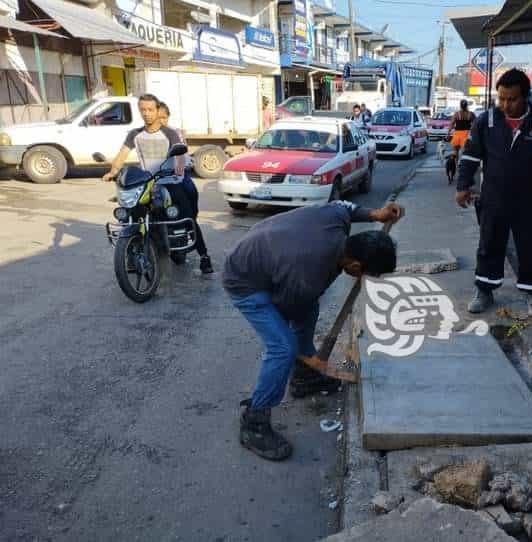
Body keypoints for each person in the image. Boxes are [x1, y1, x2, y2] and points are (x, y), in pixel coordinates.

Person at [224, 200, 404, 461]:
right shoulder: (308, 274)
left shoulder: (337, 220)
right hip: (244, 279)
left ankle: (304, 377)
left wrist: (375, 212)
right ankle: (254, 421)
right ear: (355, 267)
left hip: (265, 250)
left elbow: (345, 206)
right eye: (368, 275)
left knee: (308, 312)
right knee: (282, 348)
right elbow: (285, 311)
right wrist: (307, 357)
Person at [455, 69, 532, 318]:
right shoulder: (486, 121)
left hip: (530, 200)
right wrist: (463, 186)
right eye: (502, 98)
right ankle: (484, 290)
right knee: (489, 245)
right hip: (493, 198)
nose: (506, 104)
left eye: (512, 99)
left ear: (526, 97)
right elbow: (471, 156)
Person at [157, 102, 213, 274]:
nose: (160, 121)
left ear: (168, 117)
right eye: (157, 117)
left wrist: (178, 168)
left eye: (163, 117)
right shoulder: (146, 135)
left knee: (190, 218)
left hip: (178, 179)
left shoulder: (175, 133)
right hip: (156, 182)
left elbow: (180, 156)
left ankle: (204, 257)